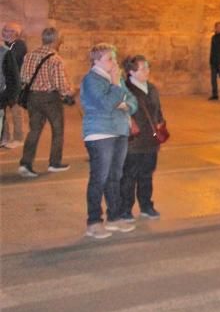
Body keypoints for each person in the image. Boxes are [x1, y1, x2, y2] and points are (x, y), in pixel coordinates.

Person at [80, 44, 138, 239]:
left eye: (114, 58)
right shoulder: (91, 80)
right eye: (109, 59)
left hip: (120, 130)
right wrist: (115, 87)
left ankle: (114, 217)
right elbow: (105, 104)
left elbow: (132, 101)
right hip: (100, 133)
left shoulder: (117, 79)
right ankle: (94, 221)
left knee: (115, 176)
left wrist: (124, 104)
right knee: (100, 177)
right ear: (96, 61)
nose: (114, 63)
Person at [18, 27, 75, 177]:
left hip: (32, 97)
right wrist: (69, 93)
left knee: (34, 130)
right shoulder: (55, 59)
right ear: (56, 40)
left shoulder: (29, 55)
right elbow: (60, 84)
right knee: (57, 131)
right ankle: (54, 163)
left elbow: (23, 77)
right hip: (50, 99)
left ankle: (25, 163)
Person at [119, 55, 166, 221]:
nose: (148, 71)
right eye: (143, 68)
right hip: (134, 140)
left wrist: (160, 124)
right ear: (131, 72)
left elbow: (158, 110)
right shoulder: (125, 89)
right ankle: (125, 209)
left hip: (151, 140)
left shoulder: (152, 88)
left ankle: (146, 205)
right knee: (129, 175)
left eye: (148, 67)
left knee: (147, 174)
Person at [2, 22, 28, 148]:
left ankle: (18, 138)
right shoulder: (4, 45)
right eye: (5, 30)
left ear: (16, 34)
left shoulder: (19, 45)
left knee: (16, 111)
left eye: (9, 31)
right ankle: (4, 137)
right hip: (3, 83)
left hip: (15, 84)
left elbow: (12, 57)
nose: (5, 33)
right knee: (3, 112)